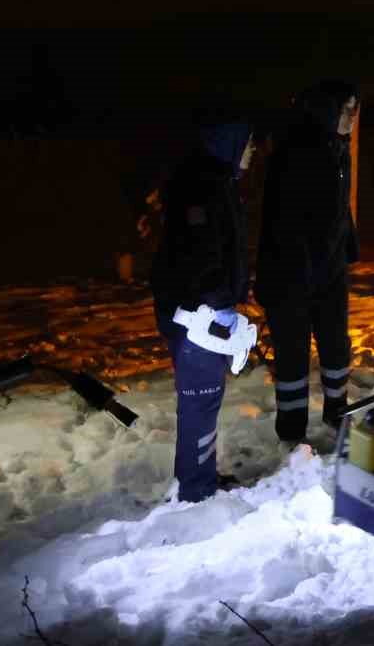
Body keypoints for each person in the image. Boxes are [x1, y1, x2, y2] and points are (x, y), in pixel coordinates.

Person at [149, 117, 258, 501]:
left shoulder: (216, 183)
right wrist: (220, 302)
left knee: (202, 399)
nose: (253, 149)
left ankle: (196, 478)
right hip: (197, 316)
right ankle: (196, 491)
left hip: (201, 309)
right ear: (227, 142)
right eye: (247, 142)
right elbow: (200, 253)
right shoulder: (203, 188)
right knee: (201, 397)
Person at [255, 81, 360, 441]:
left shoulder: (336, 147)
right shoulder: (298, 152)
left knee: (334, 345)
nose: (352, 119)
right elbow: (289, 222)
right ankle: (292, 432)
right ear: (327, 111)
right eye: (346, 111)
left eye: (354, 111)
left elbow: (337, 211)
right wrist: (301, 272)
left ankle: (337, 413)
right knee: (292, 356)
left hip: (327, 271)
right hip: (292, 275)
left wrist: (348, 247)